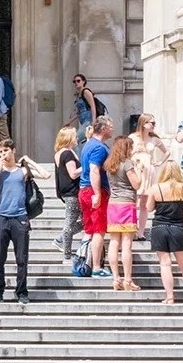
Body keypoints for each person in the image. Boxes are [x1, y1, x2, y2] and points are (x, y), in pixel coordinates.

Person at [141, 162, 183, 305]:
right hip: (178, 228)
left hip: (159, 227)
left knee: (165, 264)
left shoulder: (155, 188)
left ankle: (169, 297)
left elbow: (149, 208)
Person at [0, 140, 33, 304]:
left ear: (13, 151)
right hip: (1, 217)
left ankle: (22, 292)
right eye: (0, 152)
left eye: (5, 151)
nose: (3, 154)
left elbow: (46, 175)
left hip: (20, 218)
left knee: (22, 258)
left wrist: (29, 161)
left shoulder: (22, 171)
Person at [104, 135, 141, 292]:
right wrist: (140, 170)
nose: (132, 150)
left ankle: (115, 278)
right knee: (126, 244)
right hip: (126, 204)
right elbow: (137, 184)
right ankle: (127, 279)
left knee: (114, 242)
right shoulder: (127, 164)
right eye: (130, 147)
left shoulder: (109, 164)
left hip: (113, 204)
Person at [78, 116, 114, 277]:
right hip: (93, 190)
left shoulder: (88, 144)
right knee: (99, 229)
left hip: (83, 189)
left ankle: (84, 262)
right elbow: (94, 169)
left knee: (89, 228)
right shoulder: (99, 148)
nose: (113, 129)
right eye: (111, 126)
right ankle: (96, 266)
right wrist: (98, 193)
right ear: (104, 128)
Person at [51, 126, 82, 261]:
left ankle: (60, 239)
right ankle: (67, 255)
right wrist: (87, 165)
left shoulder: (59, 153)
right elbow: (73, 174)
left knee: (85, 220)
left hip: (67, 192)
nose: (76, 138)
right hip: (72, 192)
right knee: (70, 224)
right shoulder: (67, 154)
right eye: (74, 135)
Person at [69, 73, 98, 145]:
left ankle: (75, 156)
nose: (76, 83)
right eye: (74, 81)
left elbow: (92, 106)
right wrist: (69, 122)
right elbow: (78, 112)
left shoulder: (86, 92)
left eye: (78, 81)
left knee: (74, 141)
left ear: (83, 81)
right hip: (83, 121)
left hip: (88, 121)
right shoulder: (78, 95)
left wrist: (94, 121)